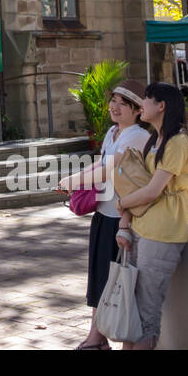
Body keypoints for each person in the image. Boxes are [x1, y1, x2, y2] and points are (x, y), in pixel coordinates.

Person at [57, 79, 151, 350]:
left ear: (137, 111)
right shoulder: (113, 132)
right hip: (104, 214)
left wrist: (72, 181)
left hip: (123, 217)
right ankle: (96, 336)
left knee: (114, 280)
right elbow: (101, 162)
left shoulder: (137, 136)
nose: (115, 107)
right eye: (114, 101)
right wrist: (73, 179)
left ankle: (100, 338)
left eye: (124, 104)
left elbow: (109, 168)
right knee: (100, 278)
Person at [115, 82, 188, 350]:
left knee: (147, 313)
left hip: (163, 233)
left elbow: (151, 191)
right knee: (132, 307)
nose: (142, 104)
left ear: (161, 106)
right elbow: (139, 184)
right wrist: (125, 222)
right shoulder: (155, 138)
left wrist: (123, 204)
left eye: (147, 100)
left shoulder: (177, 142)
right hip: (142, 228)